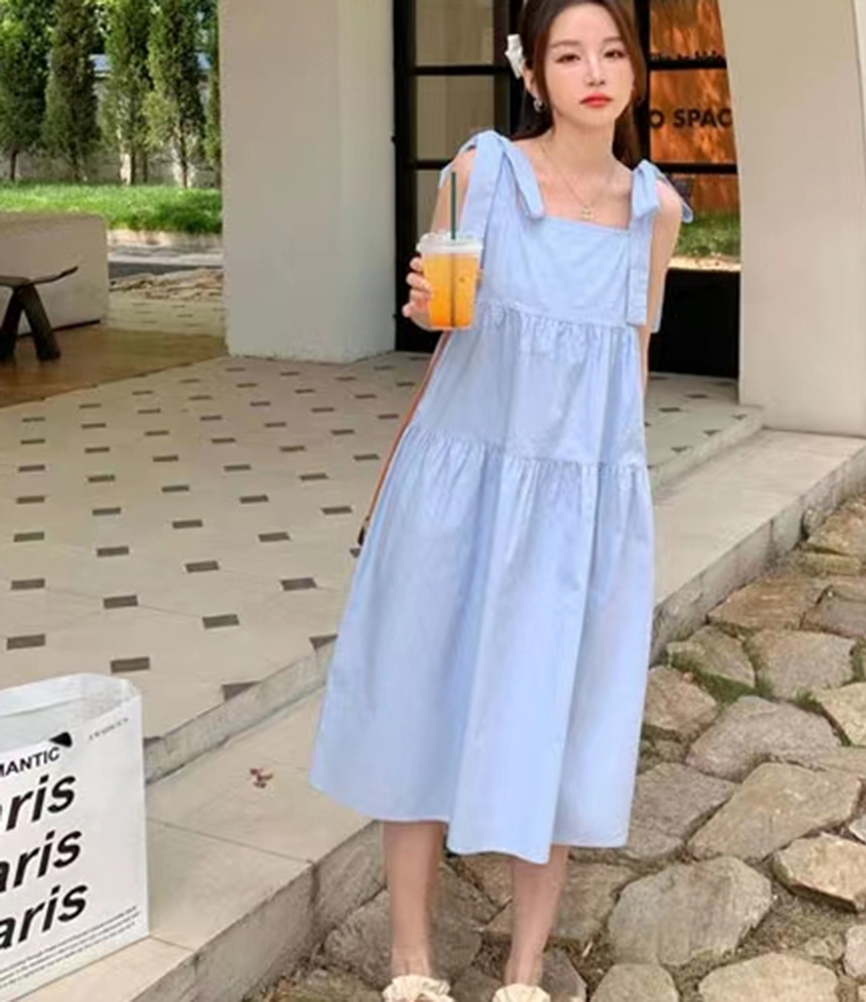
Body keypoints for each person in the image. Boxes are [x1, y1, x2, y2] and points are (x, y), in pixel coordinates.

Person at [308, 1, 691, 1000]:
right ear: (533, 75)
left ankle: (524, 971)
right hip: (459, 484)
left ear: (634, 70)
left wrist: (617, 510)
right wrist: (421, 304)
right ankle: (412, 963)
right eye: (569, 55)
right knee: (420, 703)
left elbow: (631, 366)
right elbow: (444, 321)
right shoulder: (481, 173)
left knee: (552, 717)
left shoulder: (655, 210)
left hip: (577, 503)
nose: (594, 72)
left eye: (611, 52)